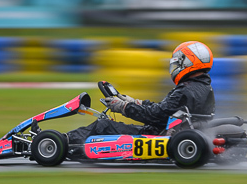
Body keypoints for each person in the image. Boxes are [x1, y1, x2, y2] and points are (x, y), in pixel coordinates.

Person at [66, 41, 216, 145]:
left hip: (157, 135)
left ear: (187, 62)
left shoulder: (185, 89)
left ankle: (63, 141)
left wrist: (123, 107)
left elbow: (156, 116)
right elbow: (167, 110)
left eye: (177, 63)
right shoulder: (205, 87)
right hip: (174, 131)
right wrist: (136, 102)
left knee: (103, 126)